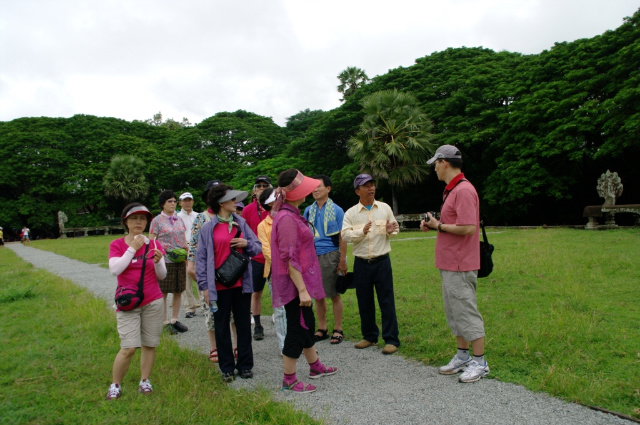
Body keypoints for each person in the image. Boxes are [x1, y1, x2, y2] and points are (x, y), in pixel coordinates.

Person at [421, 144, 489, 383]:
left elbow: (470, 227)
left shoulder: (464, 190)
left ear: (445, 163)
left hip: (460, 264)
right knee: (455, 313)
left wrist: (437, 226)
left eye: (436, 164)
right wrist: (435, 223)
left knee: (467, 312)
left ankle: (480, 363)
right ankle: (462, 357)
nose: (434, 169)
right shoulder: (451, 190)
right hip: (450, 263)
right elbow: (455, 223)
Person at [271, 169, 338, 393]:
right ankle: (289, 379)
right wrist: (302, 290)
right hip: (295, 286)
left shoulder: (292, 213)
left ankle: (315, 366)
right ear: (294, 192)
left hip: (301, 284)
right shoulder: (288, 218)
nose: (310, 191)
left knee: (307, 325)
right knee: (297, 329)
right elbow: (289, 259)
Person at [196, 184, 261, 382]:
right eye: (232, 199)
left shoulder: (241, 223)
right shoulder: (208, 228)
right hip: (219, 287)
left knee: (242, 326)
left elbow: (257, 248)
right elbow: (201, 259)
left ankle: (245, 365)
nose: (236, 203)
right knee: (221, 327)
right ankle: (226, 368)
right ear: (221, 203)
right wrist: (205, 287)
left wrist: (246, 243)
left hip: (242, 285)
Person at [106, 203, 166, 400]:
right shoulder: (117, 244)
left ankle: (144, 380)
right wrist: (132, 249)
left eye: (142, 219)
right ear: (126, 222)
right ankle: (115, 384)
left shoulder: (155, 244)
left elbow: (162, 275)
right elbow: (115, 269)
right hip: (128, 302)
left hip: (153, 300)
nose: (139, 222)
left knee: (150, 344)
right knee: (129, 347)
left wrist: (158, 262)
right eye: (134, 219)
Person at [341, 173, 400, 355]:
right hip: (361, 264)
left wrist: (391, 230)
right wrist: (361, 232)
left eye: (372, 184)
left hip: (382, 262)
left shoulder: (384, 208)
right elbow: (344, 235)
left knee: (386, 300)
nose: (371, 188)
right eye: (366, 186)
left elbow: (394, 228)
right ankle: (369, 336)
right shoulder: (351, 213)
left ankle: (391, 339)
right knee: (364, 301)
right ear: (358, 191)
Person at [187, 180, 238, 363]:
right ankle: (215, 347)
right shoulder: (201, 219)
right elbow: (194, 247)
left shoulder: (233, 216)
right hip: (209, 275)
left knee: (234, 313)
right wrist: (196, 274)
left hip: (232, 273)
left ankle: (236, 345)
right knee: (211, 312)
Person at [303, 175, 348, 344]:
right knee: (317, 295)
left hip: (331, 253)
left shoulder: (337, 210)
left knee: (334, 293)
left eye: (318, 187)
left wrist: (342, 259)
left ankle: (338, 328)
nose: (315, 190)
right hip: (312, 255)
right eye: (313, 187)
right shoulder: (308, 210)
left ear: (328, 189)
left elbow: (342, 236)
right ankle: (322, 328)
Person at [149, 190, 189, 334]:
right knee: (163, 292)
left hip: (179, 259)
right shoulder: (156, 221)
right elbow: (152, 241)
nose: (172, 204)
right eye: (169, 201)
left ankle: (174, 319)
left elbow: (183, 238)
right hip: (165, 260)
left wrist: (186, 253)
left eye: (173, 201)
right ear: (162, 204)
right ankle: (164, 322)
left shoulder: (179, 219)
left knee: (178, 290)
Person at [256, 188, 287, 352]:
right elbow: (266, 250)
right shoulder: (263, 226)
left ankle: (302, 342)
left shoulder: (290, 218)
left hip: (295, 269)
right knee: (280, 310)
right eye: (276, 200)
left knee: (298, 307)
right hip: (275, 272)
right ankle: (285, 346)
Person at [242, 175, 272, 341]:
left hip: (274, 257)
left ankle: (282, 320)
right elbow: (243, 232)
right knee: (256, 292)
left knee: (279, 291)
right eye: (258, 186)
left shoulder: (276, 207)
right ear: (254, 190)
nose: (261, 188)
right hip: (256, 258)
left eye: (265, 185)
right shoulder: (247, 210)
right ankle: (258, 324)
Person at [177, 192, 201, 318]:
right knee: (186, 280)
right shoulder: (176, 217)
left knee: (200, 277)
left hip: (198, 249)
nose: (187, 203)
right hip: (183, 249)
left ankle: (204, 303)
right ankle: (189, 308)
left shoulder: (198, 216)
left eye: (189, 200)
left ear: (192, 201)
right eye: (184, 200)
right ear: (180, 202)